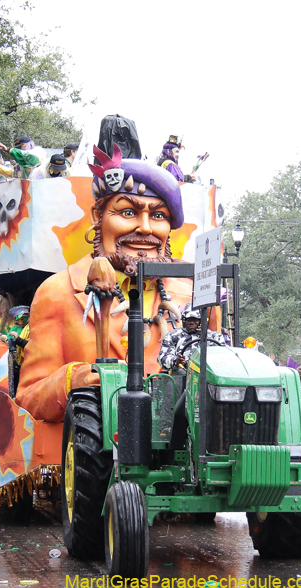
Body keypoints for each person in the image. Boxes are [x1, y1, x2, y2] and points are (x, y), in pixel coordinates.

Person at [15, 143, 219, 422]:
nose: (145, 228)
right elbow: (29, 397)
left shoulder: (198, 294)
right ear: (97, 217)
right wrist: (75, 380)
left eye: (158, 216)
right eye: (128, 213)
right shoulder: (57, 293)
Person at [158, 303, 226, 371]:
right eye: (188, 320)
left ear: (201, 321)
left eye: (195, 320)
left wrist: (206, 336)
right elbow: (162, 358)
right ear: (184, 321)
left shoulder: (215, 336)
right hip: (181, 374)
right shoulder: (173, 335)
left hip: (208, 373)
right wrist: (176, 361)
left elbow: (224, 356)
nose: (191, 323)